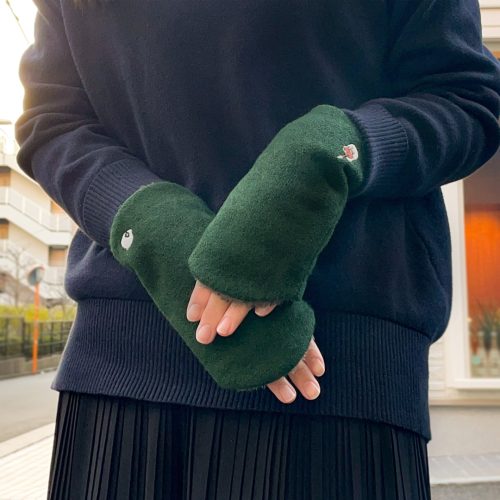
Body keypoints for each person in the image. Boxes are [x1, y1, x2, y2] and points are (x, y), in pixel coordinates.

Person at [14, 0, 500, 498]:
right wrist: (154, 227)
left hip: (338, 373)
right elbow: (52, 122)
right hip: (120, 375)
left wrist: (328, 153)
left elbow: (465, 97)